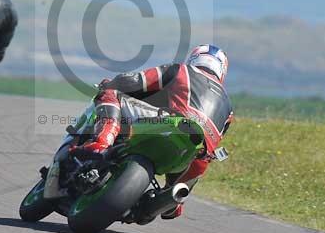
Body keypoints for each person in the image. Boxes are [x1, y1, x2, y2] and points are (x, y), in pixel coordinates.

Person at [72, 44, 233, 219]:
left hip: (172, 124)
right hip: (196, 151)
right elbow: (217, 139)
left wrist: (111, 83)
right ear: (222, 71)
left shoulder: (181, 70)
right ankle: (172, 201)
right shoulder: (229, 107)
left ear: (194, 59)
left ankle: (101, 142)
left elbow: (135, 81)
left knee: (110, 94)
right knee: (203, 159)